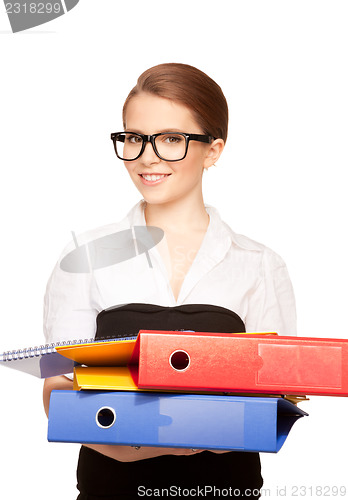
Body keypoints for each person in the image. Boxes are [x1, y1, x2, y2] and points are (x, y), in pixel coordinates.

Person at [43, 63, 297, 499]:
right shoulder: (81, 257)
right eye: (134, 137)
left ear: (213, 150)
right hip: (112, 487)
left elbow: (279, 394)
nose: (147, 156)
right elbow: (58, 387)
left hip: (226, 490)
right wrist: (133, 450)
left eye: (171, 139)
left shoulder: (259, 264)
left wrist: (207, 437)